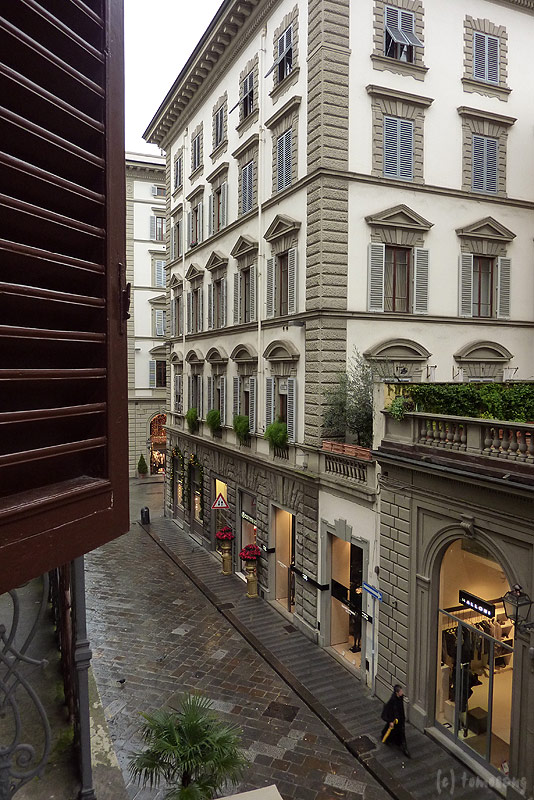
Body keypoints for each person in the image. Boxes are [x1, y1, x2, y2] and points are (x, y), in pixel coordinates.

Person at [381, 685, 411, 758]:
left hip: (400, 719)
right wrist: (391, 721)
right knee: (399, 732)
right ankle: (404, 748)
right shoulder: (393, 700)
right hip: (395, 719)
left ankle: (400, 744)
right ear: (397, 693)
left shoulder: (400, 698)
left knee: (400, 732)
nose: (402, 692)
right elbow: (390, 710)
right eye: (401, 691)